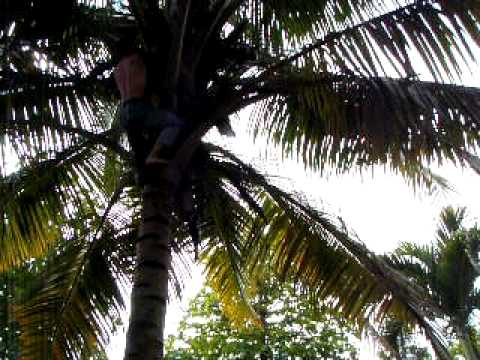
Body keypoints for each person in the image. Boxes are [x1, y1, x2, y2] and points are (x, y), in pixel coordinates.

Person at [113, 42, 185, 184]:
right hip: (138, 108)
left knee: (139, 152)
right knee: (174, 123)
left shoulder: (118, 69)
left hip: (124, 112)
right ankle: (154, 153)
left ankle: (142, 175)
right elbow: (152, 82)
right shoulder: (139, 59)